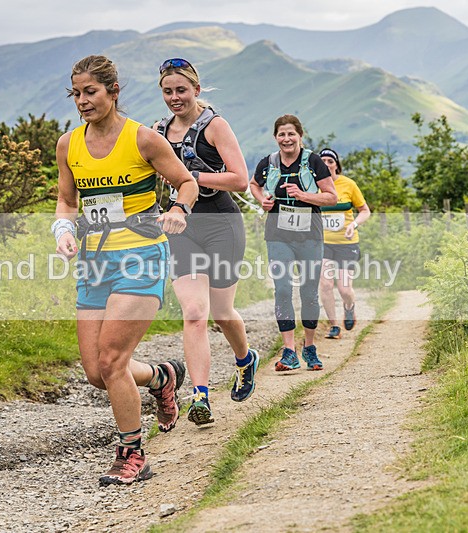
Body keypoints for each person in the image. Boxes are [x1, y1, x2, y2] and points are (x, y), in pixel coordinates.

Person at [53, 55, 199, 486]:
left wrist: (178, 210)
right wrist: (63, 229)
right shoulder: (68, 145)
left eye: (91, 92)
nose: (82, 101)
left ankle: (132, 453)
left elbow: (186, 182)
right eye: (76, 93)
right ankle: (162, 377)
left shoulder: (144, 139)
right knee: (96, 373)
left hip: (140, 256)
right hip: (94, 262)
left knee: (112, 359)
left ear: (113, 91)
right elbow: (67, 200)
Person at [155, 57, 259, 426]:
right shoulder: (158, 131)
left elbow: (240, 179)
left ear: (196, 90)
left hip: (221, 225)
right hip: (181, 227)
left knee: (222, 313)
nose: (175, 97)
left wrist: (192, 177)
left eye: (181, 90)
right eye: (167, 91)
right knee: (195, 312)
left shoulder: (215, 126)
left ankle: (245, 359)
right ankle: (200, 396)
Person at [248, 115, 337, 372]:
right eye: (281, 134)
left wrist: (303, 195)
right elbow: (254, 185)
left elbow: (331, 197)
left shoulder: (314, 162)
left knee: (308, 291)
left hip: (310, 235)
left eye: (291, 134)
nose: (286, 139)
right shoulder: (268, 163)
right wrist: (262, 200)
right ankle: (289, 351)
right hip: (278, 234)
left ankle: (309, 346)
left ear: (300, 136)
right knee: (283, 289)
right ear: (275, 137)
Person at [317, 148, 371, 339]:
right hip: (323, 243)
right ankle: (334, 326)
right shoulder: (313, 186)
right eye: (322, 161)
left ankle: (349, 307)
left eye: (330, 161)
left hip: (347, 243)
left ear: (336, 165)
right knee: (325, 284)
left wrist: (354, 224)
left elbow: (365, 210)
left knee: (344, 289)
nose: (326, 164)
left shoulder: (348, 184)